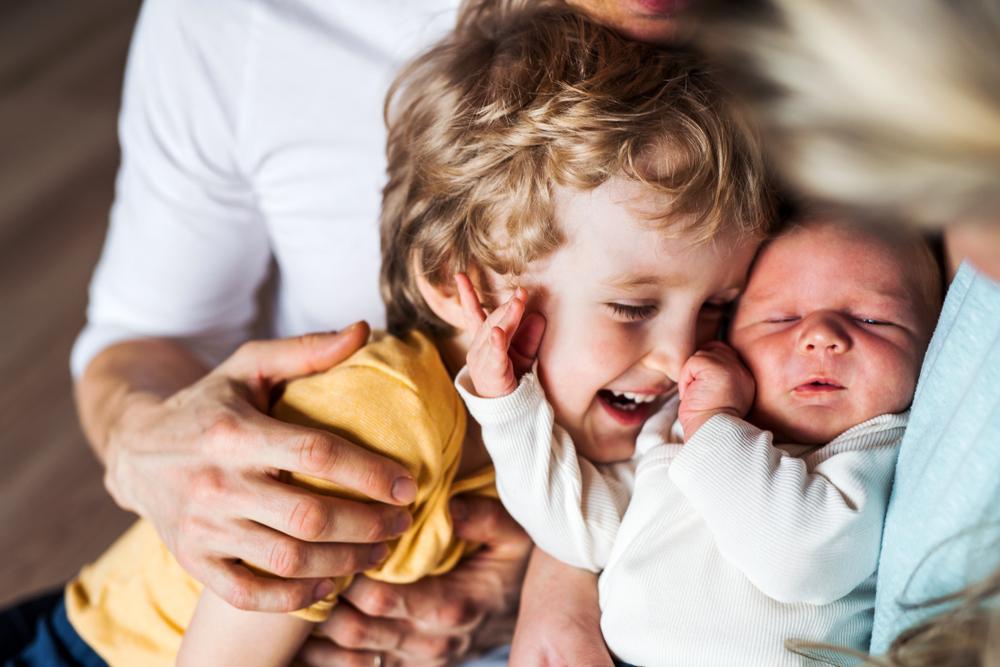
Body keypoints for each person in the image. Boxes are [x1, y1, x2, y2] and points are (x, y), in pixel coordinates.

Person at [0, 3, 770, 666]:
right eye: (632, 308)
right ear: (463, 282)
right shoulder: (392, 409)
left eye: (717, 308)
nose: (683, 356)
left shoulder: (596, 421)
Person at [458, 217, 941, 665]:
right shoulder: (679, 431)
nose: (820, 336)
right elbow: (578, 531)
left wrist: (714, 421)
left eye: (874, 320)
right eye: (782, 319)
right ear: (729, 341)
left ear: (933, 348)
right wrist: (511, 408)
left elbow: (800, 560)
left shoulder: (880, 451)